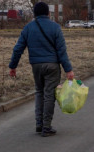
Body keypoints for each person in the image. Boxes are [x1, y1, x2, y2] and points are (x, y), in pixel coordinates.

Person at [8, 2, 74, 137]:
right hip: (52, 65)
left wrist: (13, 66)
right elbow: (62, 51)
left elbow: (18, 48)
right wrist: (68, 69)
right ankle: (47, 126)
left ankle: (39, 124)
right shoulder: (55, 27)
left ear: (34, 14)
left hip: (36, 65)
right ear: (48, 13)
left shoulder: (28, 28)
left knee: (39, 92)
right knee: (49, 94)